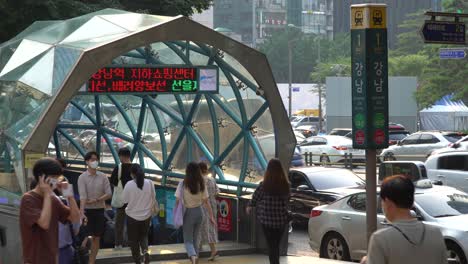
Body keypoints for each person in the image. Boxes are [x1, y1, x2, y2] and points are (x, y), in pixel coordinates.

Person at [361, 175, 447, 264]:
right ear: (412, 200)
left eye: (382, 202)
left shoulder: (380, 239)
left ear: (388, 202)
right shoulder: (436, 233)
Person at [20, 157, 80, 264]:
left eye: (58, 177)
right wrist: (47, 193)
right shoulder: (28, 199)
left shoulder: (53, 199)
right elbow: (44, 223)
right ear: (41, 177)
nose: (56, 181)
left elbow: (74, 218)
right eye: (53, 177)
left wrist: (70, 197)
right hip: (35, 260)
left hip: (52, 258)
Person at [247, 158, 290, 264]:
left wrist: (249, 206)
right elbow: (287, 201)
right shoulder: (285, 185)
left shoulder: (264, 185)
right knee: (276, 245)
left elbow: (255, 199)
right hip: (281, 221)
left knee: (272, 246)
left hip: (267, 221)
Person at [175, 162, 216, 264]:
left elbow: (177, 200)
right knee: (195, 239)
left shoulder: (183, 183)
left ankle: (193, 257)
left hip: (189, 213)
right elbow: (206, 201)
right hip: (200, 212)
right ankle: (195, 257)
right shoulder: (201, 183)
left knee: (188, 240)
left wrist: (176, 211)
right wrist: (211, 216)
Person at [78, 151, 112, 264]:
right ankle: (86, 256)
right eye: (92, 159)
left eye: (96, 159)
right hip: (87, 211)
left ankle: (91, 261)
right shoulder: (82, 177)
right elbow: (83, 196)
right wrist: (81, 212)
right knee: (87, 236)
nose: (95, 161)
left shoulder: (103, 176)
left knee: (97, 237)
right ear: (87, 161)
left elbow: (109, 193)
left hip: (99, 210)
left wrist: (97, 200)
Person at [122, 164, 155, 264]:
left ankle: (137, 260)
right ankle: (145, 252)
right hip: (146, 216)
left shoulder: (129, 184)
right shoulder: (150, 183)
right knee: (144, 236)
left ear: (132, 174)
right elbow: (153, 198)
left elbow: (124, 200)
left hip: (132, 217)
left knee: (133, 240)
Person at [110, 147, 133, 249]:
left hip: (121, 201)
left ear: (121, 156)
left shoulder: (119, 168)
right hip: (133, 202)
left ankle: (118, 244)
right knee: (132, 224)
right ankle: (130, 244)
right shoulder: (136, 168)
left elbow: (113, 182)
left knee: (119, 224)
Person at [197, 162, 220, 260]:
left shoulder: (199, 181)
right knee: (210, 226)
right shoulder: (212, 179)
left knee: (201, 227)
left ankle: (211, 250)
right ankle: (206, 248)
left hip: (203, 206)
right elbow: (217, 192)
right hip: (212, 206)